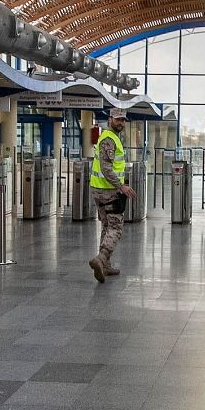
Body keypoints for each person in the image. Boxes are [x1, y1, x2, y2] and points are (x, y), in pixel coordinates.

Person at [88, 107, 135, 283]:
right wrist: (121, 186)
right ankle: (100, 259)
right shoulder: (109, 139)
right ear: (110, 120)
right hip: (108, 191)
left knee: (107, 226)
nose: (121, 123)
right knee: (116, 227)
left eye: (123, 120)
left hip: (100, 189)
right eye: (118, 120)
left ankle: (105, 266)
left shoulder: (110, 138)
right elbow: (107, 168)